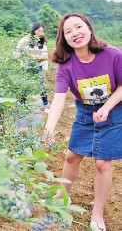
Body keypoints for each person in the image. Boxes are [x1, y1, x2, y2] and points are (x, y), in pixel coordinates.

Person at [45, 13, 122, 231]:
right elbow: (59, 99)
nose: (75, 33)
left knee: (102, 162)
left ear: (89, 29)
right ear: (64, 39)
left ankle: (97, 213)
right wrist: (49, 128)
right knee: (71, 156)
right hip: (85, 112)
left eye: (79, 27)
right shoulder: (66, 65)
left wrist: (106, 108)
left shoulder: (113, 55)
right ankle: (64, 195)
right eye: (68, 31)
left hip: (115, 110)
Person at [15, 22, 49, 111]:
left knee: (41, 85)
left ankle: (46, 105)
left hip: (38, 65)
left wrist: (44, 63)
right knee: (24, 85)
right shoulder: (26, 40)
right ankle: (22, 106)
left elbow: (44, 53)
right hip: (27, 66)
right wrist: (22, 60)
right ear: (34, 30)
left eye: (42, 31)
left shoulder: (42, 41)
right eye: (38, 31)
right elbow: (17, 51)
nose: (40, 33)